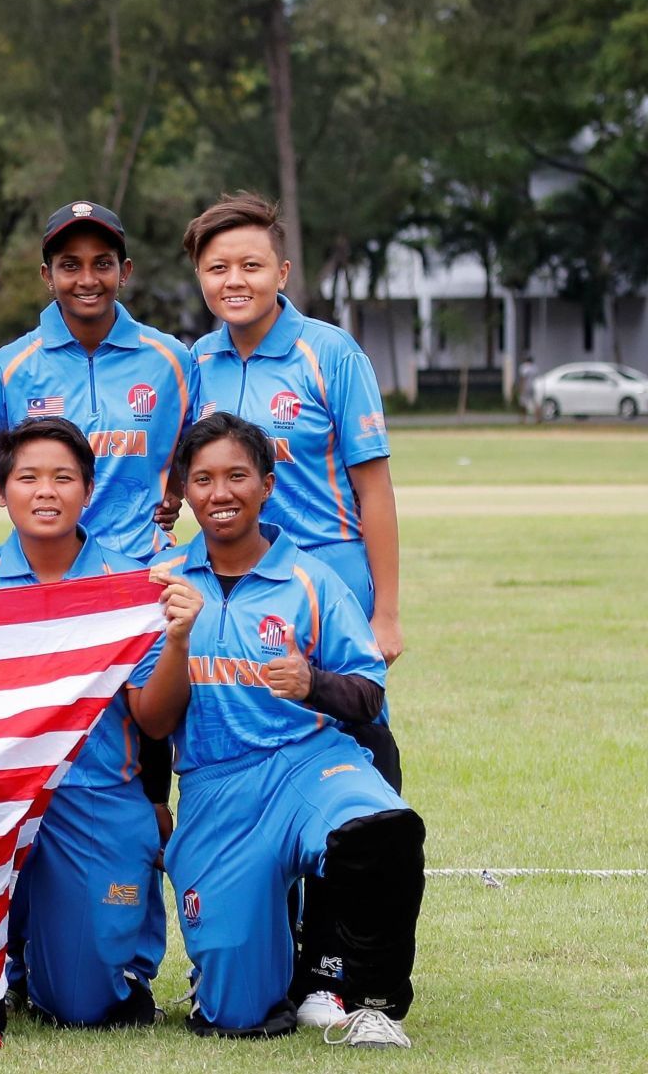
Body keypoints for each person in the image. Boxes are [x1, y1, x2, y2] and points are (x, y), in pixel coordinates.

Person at [177, 192, 405, 1026]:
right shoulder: (196, 361)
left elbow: (374, 485)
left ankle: (334, 971)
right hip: (232, 589)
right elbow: (189, 470)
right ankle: (267, 958)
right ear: (200, 278)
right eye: (217, 268)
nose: (235, 280)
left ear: (283, 270)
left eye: (250, 264)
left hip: (324, 594)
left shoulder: (327, 352)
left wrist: (386, 611)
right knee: (248, 772)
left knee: (351, 789)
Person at [137, 414, 423, 1047]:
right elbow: (152, 722)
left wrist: (311, 683)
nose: (220, 493)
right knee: (237, 1014)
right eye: (204, 478)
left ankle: (369, 996)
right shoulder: (162, 584)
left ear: (266, 485)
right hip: (215, 786)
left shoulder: (310, 579)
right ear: (184, 489)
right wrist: (179, 638)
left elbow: (368, 692)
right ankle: (265, 962)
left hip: (306, 764)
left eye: (237, 475)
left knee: (380, 831)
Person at [0, 419, 170, 1032]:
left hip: (93, 796)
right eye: (28, 477)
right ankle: (4, 958)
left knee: (83, 1007)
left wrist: (156, 802)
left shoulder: (130, 586)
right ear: (0, 491)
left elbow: (152, 717)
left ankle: (80, 961)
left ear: (88, 491)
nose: (46, 491)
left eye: (63, 477)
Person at [0, 201, 194, 559]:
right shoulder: (6, 369)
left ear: (125, 271)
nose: (88, 280)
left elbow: (199, 449)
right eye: (71, 265)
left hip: (143, 569)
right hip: (46, 575)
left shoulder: (172, 360)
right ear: (48, 275)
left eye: (103, 264)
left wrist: (175, 491)